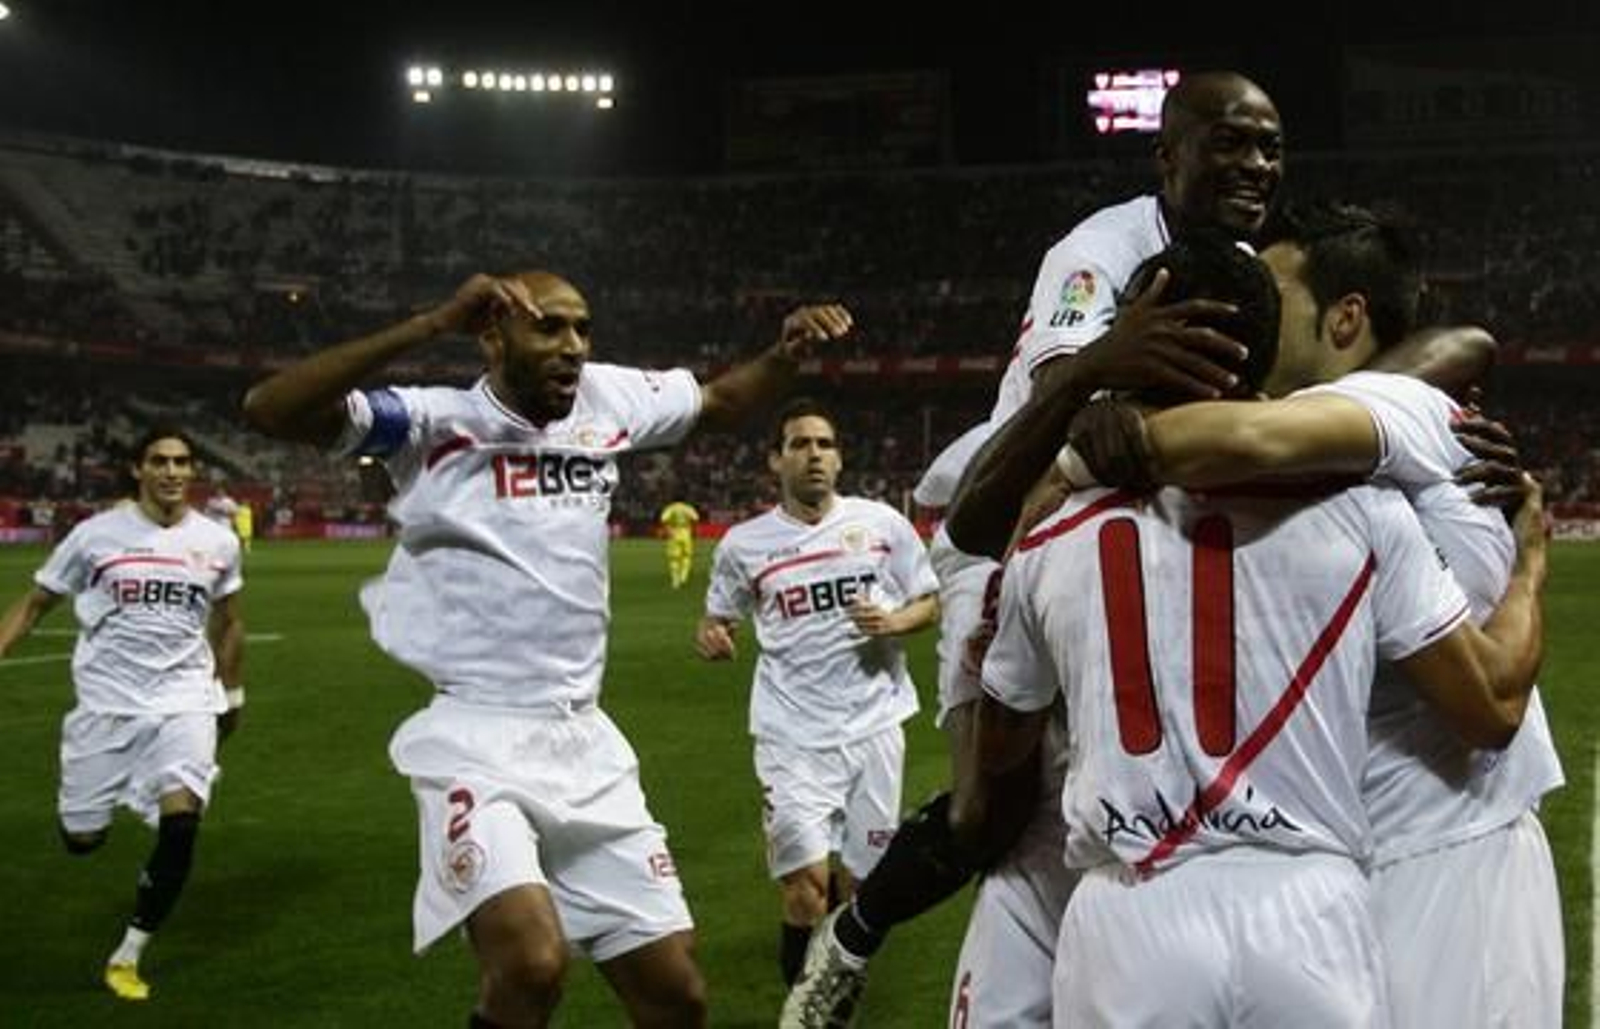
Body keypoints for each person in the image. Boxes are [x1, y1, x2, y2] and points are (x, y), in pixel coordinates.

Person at [782, 69, 1281, 1028]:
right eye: (1229, 141)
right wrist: (1118, 377)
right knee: (990, 810)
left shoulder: (1256, 261)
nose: (1254, 164)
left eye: (1269, 146)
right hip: (1010, 524)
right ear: (1167, 154)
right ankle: (851, 935)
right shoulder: (1101, 251)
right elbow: (1082, 415)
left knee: (1132, 772)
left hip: (1127, 524)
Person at [239, 269, 854, 1029]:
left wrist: (785, 353)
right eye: (550, 328)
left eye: (582, 329)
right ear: (493, 336)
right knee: (532, 964)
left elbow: (723, 403)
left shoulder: (609, 398)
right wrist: (430, 321)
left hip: (585, 741)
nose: (572, 347)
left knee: (678, 997)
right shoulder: (434, 422)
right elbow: (270, 407)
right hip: (476, 735)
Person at [975, 237, 1549, 1023]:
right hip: (1309, 903)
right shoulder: (1364, 506)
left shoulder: (1045, 533)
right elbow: (1489, 705)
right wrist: (1531, 561)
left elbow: (1002, 745)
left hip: (1131, 904)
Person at [694, 398, 939, 993]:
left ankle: (833, 985)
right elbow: (717, 618)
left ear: (839, 457)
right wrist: (714, 635)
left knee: (860, 886)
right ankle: (804, 1007)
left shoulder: (881, 524)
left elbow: (930, 600)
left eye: (825, 444)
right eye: (800, 445)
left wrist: (895, 623)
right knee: (805, 885)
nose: (814, 456)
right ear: (776, 460)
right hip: (792, 736)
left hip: (875, 728)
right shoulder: (744, 545)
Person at [0, 426, 246, 1002]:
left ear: (193, 470)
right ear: (138, 470)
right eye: (159, 461)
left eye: (183, 461)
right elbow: (35, 604)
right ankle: (101, 809)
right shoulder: (94, 536)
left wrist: (232, 693)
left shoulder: (217, 541)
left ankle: (128, 953)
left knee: (184, 821)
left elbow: (230, 620)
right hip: (107, 707)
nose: (172, 471)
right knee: (82, 838)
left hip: (185, 699)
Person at [658, 499, 701, 589]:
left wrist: (668, 528)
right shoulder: (688, 508)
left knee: (674, 559)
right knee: (687, 556)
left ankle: (675, 581)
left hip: (674, 534)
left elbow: (663, 519)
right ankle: (683, 577)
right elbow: (696, 518)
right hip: (686, 534)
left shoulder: (671, 508)